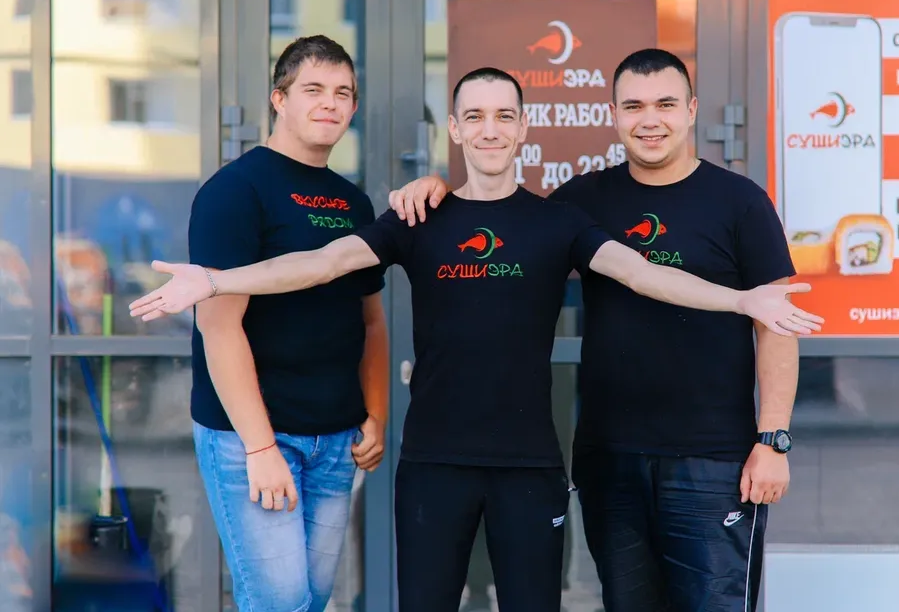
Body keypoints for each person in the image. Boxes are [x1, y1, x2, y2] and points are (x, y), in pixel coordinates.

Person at [128, 67, 822, 612]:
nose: (491, 130)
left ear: (524, 129)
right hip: (434, 464)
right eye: (476, 117)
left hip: (530, 467)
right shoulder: (416, 219)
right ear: (456, 129)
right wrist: (216, 281)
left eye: (504, 117)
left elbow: (644, 275)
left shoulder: (559, 222)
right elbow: (321, 263)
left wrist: (742, 299)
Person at [388, 49, 801, 612]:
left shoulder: (740, 201)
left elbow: (776, 323)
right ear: (613, 115)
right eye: (633, 106)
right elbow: (502, 216)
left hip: (712, 462)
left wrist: (772, 440)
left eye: (665, 105)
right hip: (611, 458)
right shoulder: (582, 201)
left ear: (691, 111)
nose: (649, 120)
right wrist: (435, 188)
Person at [183, 35, 389, 612]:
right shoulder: (235, 191)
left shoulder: (354, 204)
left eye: (343, 93)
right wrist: (260, 447)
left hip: (336, 438)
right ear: (280, 98)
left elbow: (371, 320)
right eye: (313, 89)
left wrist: (375, 411)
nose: (330, 103)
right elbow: (218, 327)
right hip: (252, 436)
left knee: (312, 600)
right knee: (280, 603)